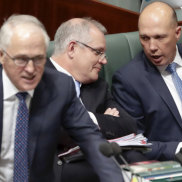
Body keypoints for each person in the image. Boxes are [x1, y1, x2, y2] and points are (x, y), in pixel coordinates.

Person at [0, 14, 124, 182]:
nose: (30, 69)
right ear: (2, 56)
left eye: (38, 59)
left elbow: (90, 139)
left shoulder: (59, 86)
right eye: (21, 59)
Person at [47, 17, 147, 182]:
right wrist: (102, 120)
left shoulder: (97, 87)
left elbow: (129, 125)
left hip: (97, 161)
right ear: (72, 48)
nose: (105, 60)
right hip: (60, 170)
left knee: (137, 159)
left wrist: (91, 118)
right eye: (98, 52)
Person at [112, 1, 182, 161]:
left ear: (177, 33)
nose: (152, 47)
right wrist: (178, 149)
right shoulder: (129, 80)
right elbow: (134, 145)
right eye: (144, 38)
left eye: (159, 37)